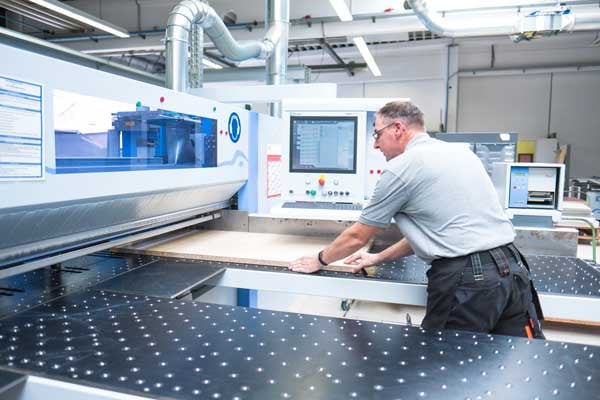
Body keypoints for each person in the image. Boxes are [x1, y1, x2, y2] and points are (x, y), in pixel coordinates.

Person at [288, 100, 544, 338]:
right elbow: (437, 229)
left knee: (445, 366)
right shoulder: (460, 154)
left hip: (469, 282)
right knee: (509, 360)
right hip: (512, 271)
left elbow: (358, 236)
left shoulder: (402, 168)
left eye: (377, 134)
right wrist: (378, 257)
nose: (376, 145)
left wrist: (318, 260)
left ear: (397, 128)